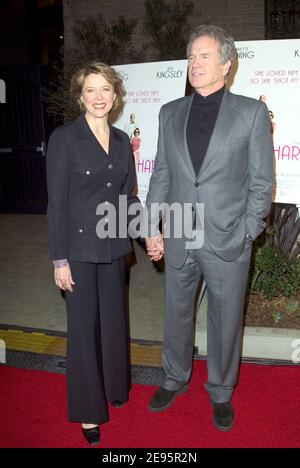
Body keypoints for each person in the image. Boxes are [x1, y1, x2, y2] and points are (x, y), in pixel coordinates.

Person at [144, 25, 273, 432]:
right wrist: (151, 226)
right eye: (191, 56)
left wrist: (247, 231)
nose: (194, 64)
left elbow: (261, 182)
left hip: (228, 237)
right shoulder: (170, 112)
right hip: (181, 233)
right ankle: (173, 377)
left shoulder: (250, 113)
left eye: (204, 56)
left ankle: (220, 390)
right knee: (177, 313)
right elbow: (161, 175)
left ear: (226, 64)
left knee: (224, 318)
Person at [46, 62, 139, 445]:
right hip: (80, 251)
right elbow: (57, 203)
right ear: (80, 96)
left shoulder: (120, 141)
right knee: (84, 332)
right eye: (91, 90)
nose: (99, 97)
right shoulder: (65, 139)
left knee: (115, 323)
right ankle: (87, 412)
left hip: (115, 247)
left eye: (105, 90)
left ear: (115, 96)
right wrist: (59, 260)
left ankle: (115, 388)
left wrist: (148, 234)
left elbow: (128, 197)